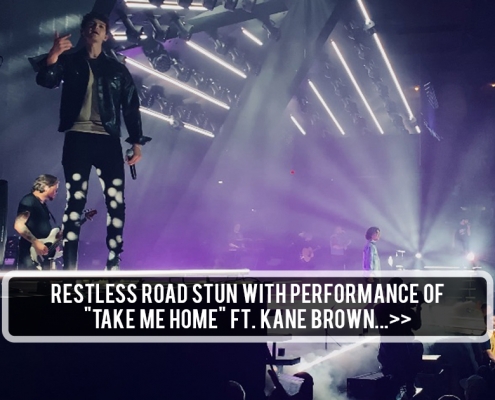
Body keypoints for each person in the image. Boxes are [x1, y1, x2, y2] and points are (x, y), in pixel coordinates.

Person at [35, 12, 151, 270]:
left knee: (116, 202)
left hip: (107, 139)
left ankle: (114, 263)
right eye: (90, 25)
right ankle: (70, 265)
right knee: (75, 201)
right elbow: (46, 80)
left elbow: (131, 106)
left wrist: (136, 143)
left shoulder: (117, 69)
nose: (95, 28)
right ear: (83, 32)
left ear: (106, 35)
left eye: (100, 26)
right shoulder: (69, 61)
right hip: (77, 137)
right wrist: (53, 54)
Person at [14, 175, 59, 270]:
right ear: (46, 187)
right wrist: (36, 242)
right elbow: (19, 225)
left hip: (42, 256)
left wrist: (54, 243)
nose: (56, 192)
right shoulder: (29, 200)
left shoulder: (43, 205)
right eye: (55, 189)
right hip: (30, 255)